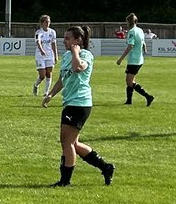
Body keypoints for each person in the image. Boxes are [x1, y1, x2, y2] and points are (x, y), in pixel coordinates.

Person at [42, 26, 116, 187]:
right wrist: (50, 94)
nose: (64, 41)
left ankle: (65, 181)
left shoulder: (85, 55)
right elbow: (63, 78)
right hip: (70, 102)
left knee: (66, 142)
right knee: (73, 144)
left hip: (80, 103)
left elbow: (78, 68)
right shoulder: (68, 55)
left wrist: (76, 52)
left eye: (68, 38)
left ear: (78, 40)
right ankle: (106, 167)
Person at [116, 12, 154, 107]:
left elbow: (130, 46)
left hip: (134, 60)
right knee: (130, 80)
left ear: (129, 22)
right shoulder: (140, 30)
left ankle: (148, 96)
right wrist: (144, 48)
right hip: (139, 59)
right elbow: (143, 41)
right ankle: (129, 101)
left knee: (129, 82)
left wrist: (120, 59)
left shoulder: (132, 32)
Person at [33, 14, 59, 96]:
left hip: (50, 56)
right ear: (42, 23)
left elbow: (54, 44)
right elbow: (38, 42)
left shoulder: (52, 32)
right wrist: (41, 50)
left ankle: (46, 93)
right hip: (40, 56)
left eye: (49, 21)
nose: (48, 23)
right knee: (42, 75)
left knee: (49, 73)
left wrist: (56, 56)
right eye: (46, 22)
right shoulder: (39, 32)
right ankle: (36, 85)